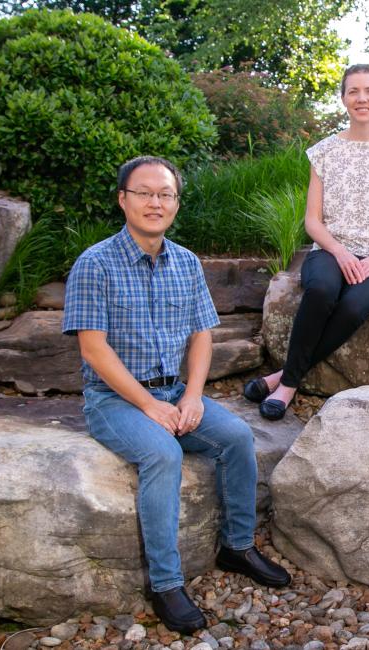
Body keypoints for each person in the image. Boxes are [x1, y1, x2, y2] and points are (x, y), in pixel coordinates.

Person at [62, 156, 291, 634]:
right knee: (163, 453)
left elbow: (202, 337)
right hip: (114, 400)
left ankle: (237, 546)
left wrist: (192, 397)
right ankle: (166, 583)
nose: (155, 202)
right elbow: (93, 348)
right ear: (123, 199)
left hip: (174, 390)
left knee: (235, 436)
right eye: (144, 192)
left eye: (165, 194)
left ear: (176, 203)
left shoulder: (186, 263)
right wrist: (150, 407)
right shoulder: (94, 263)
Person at [243, 64, 369, 420]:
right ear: (342, 99)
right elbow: (312, 221)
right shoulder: (323, 151)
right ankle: (292, 386)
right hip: (329, 249)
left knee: (354, 306)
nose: (362, 98)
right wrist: (339, 252)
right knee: (323, 291)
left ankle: (283, 376)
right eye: (353, 91)